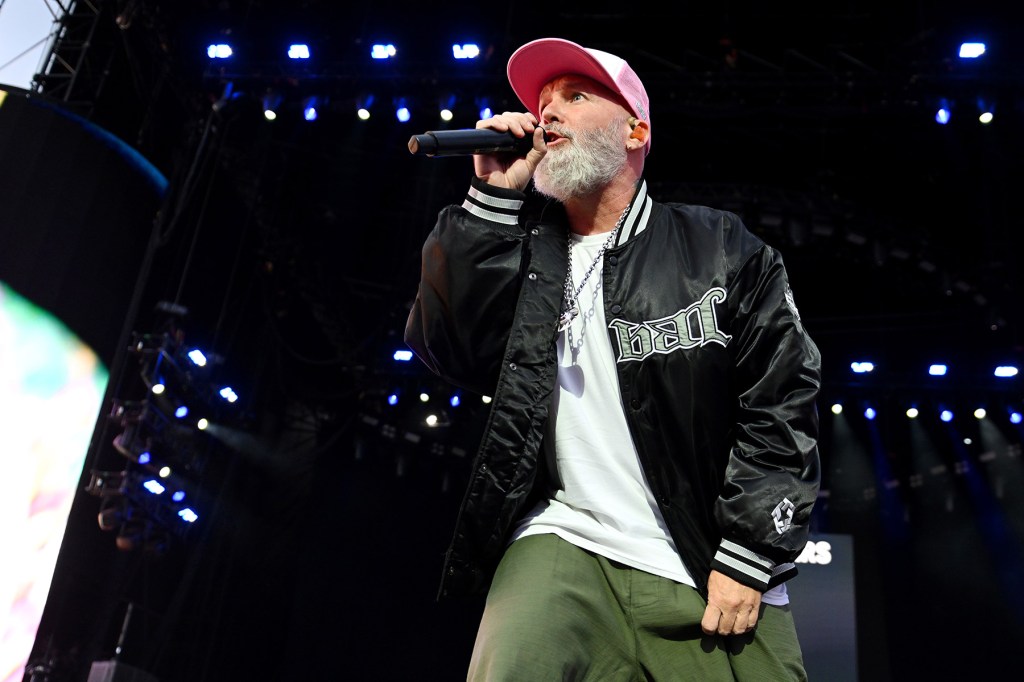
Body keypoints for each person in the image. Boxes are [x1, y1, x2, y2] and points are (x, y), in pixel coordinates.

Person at [404, 36, 822, 681]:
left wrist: (749, 551)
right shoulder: (521, 249)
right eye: (542, 103)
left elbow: (781, 401)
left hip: (702, 557)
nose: (547, 113)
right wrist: (490, 202)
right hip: (561, 539)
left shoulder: (719, 248)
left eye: (575, 96)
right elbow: (447, 350)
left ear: (635, 131)